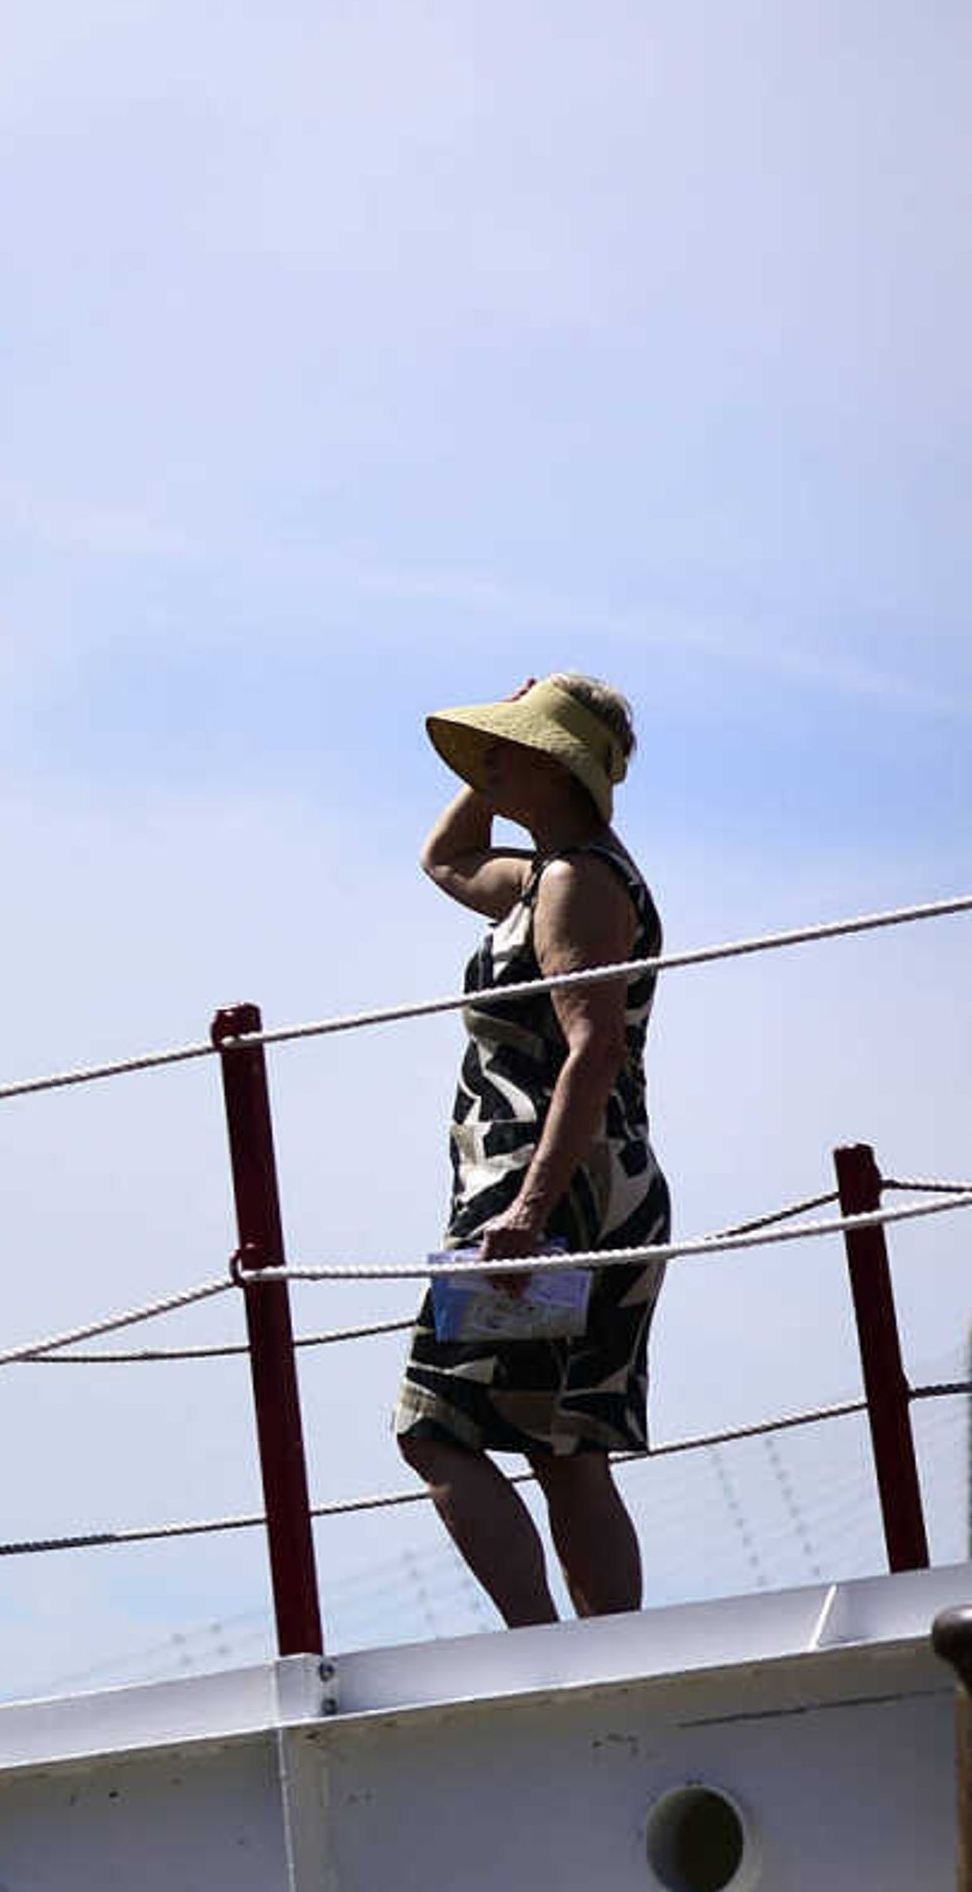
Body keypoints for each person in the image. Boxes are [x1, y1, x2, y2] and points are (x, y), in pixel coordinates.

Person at [396, 671, 667, 1624]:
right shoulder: (549, 875)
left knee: (435, 1427)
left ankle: (537, 1647)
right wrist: (498, 761)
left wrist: (529, 1208)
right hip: (587, 1184)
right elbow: (446, 856)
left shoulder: (573, 883)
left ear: (557, 768)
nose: (489, 759)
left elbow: (592, 1046)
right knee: (562, 1443)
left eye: (508, 748)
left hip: (547, 1188)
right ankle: (603, 1651)